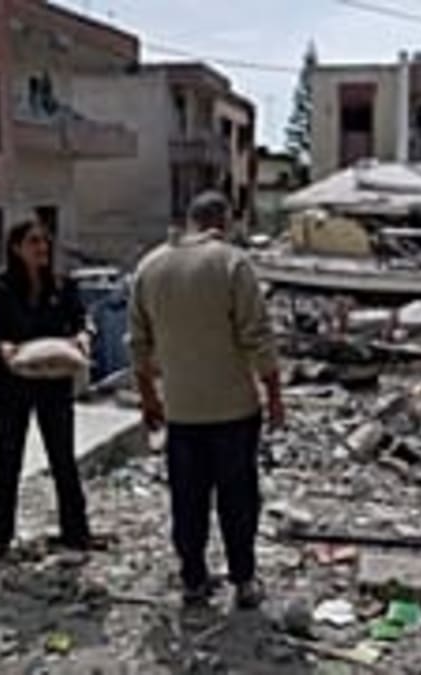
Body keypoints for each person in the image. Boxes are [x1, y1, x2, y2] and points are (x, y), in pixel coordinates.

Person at [128, 191, 284, 609]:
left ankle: (193, 579)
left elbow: (139, 345)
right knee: (238, 499)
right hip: (233, 408)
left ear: (191, 220)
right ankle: (244, 580)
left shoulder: (150, 266)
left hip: (181, 411)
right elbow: (257, 337)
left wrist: (148, 399)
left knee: (188, 500)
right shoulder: (232, 263)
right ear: (225, 221)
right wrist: (274, 397)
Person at [0, 219, 92, 561]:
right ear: (16, 247)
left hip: (54, 385)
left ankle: (75, 537)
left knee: (63, 460)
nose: (42, 248)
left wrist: (84, 336)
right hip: (11, 386)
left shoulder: (63, 286)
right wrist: (2, 348)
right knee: (8, 461)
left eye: (45, 241)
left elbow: (81, 320)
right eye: (33, 242)